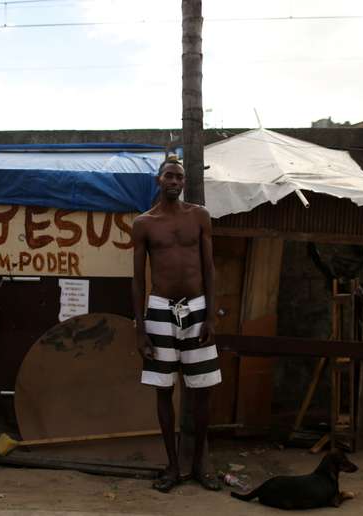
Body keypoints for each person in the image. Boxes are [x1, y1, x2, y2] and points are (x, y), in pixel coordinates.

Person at [131, 155, 222, 493]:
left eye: (179, 177)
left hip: (197, 308)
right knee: (163, 389)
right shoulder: (144, 223)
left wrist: (211, 314)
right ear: (158, 180)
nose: (174, 181)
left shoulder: (199, 216)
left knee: (202, 391)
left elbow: (209, 268)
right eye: (169, 175)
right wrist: (140, 327)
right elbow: (138, 279)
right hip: (159, 310)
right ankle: (172, 467)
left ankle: (200, 466)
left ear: (184, 183)